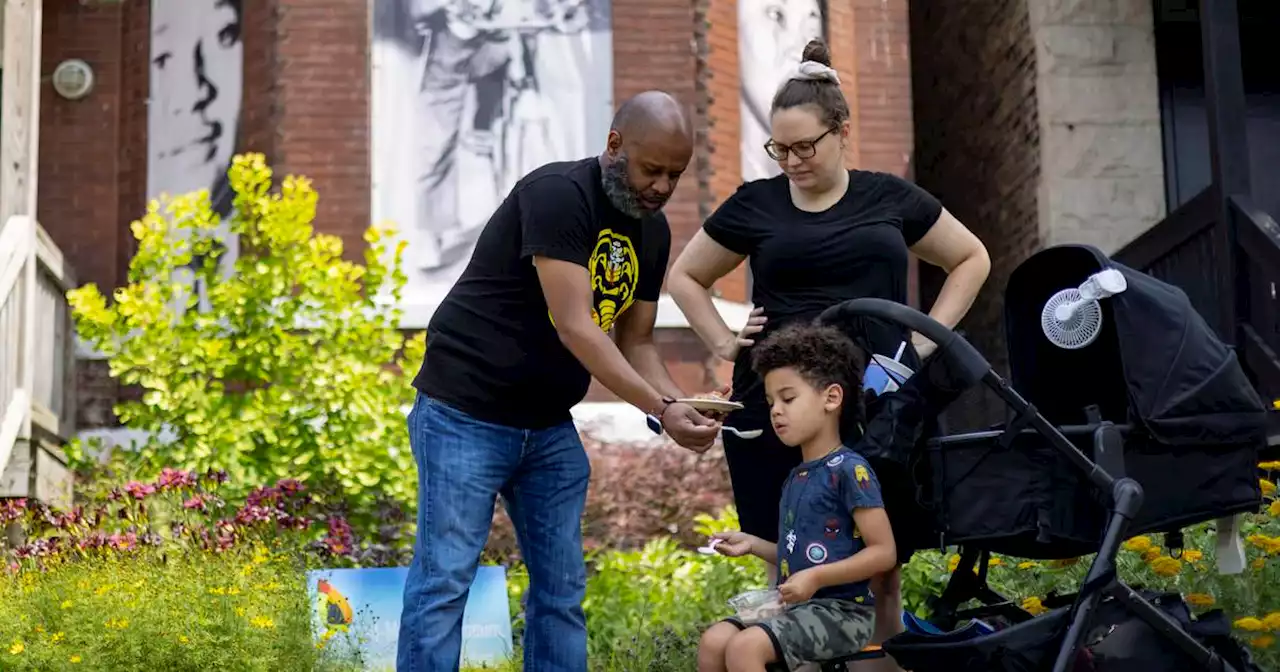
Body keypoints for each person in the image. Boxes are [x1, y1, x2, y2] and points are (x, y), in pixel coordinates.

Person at [668, 38, 990, 669]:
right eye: (778, 149)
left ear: (842, 132)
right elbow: (686, 277)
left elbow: (970, 258)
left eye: (803, 147)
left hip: (878, 399)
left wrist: (921, 343)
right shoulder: (755, 204)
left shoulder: (888, 198)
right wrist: (721, 341)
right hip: (778, 404)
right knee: (785, 549)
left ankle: (881, 662)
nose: (789, 160)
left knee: (882, 559)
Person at [398, 90, 725, 672]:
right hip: (464, 414)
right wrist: (660, 406)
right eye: (652, 169)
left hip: (546, 427)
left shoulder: (651, 232)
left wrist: (678, 406)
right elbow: (576, 326)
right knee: (445, 580)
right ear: (614, 144)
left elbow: (637, 339)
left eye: (675, 174)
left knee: (562, 591)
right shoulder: (557, 194)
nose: (661, 187)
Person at [697, 323, 897, 672]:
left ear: (831, 398)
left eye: (788, 399)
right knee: (714, 641)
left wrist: (817, 579)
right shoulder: (796, 476)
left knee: (746, 648)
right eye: (771, 402)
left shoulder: (851, 470)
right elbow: (800, 556)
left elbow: (884, 553)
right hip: (796, 607)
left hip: (843, 613)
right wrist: (752, 543)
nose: (775, 410)